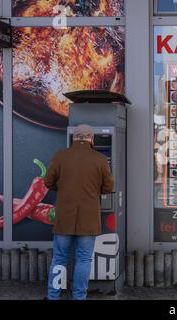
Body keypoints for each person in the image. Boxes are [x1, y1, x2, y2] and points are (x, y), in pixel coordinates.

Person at [44, 124, 114, 300]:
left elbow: (48, 182)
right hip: (88, 218)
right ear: (91, 139)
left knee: (59, 258)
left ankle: (54, 296)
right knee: (83, 260)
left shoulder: (60, 156)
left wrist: (62, 188)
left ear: (74, 138)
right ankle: (79, 297)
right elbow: (108, 187)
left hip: (64, 217)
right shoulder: (100, 159)